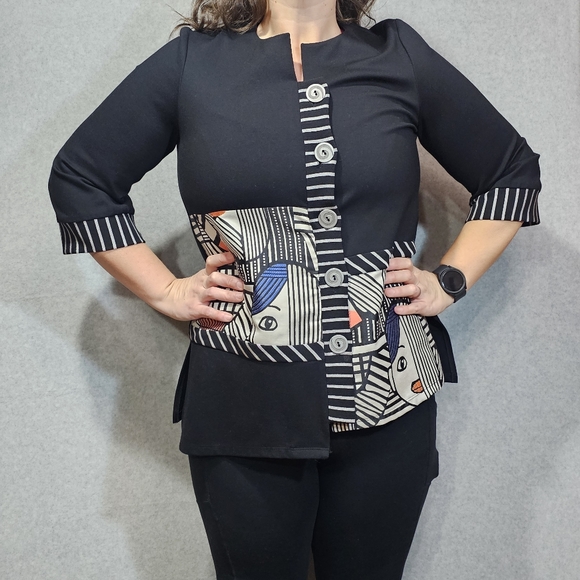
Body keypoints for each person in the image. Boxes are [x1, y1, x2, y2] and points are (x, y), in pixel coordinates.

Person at [47, 0, 542, 578]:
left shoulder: (398, 56)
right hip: (243, 406)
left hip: (391, 402)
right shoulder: (192, 65)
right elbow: (81, 177)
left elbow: (511, 171)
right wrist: (165, 291)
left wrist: (449, 281)